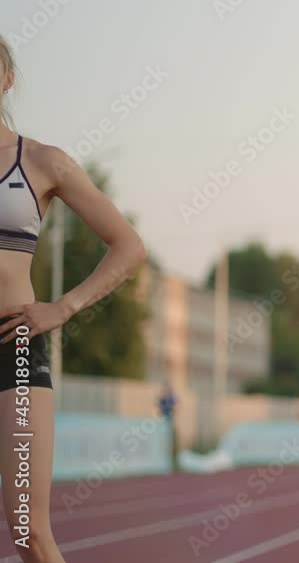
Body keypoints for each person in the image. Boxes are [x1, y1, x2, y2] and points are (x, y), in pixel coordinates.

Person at [0, 37, 147, 562]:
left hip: (12, 352)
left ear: (7, 78)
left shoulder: (42, 162)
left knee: (29, 534)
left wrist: (63, 307)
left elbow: (128, 246)